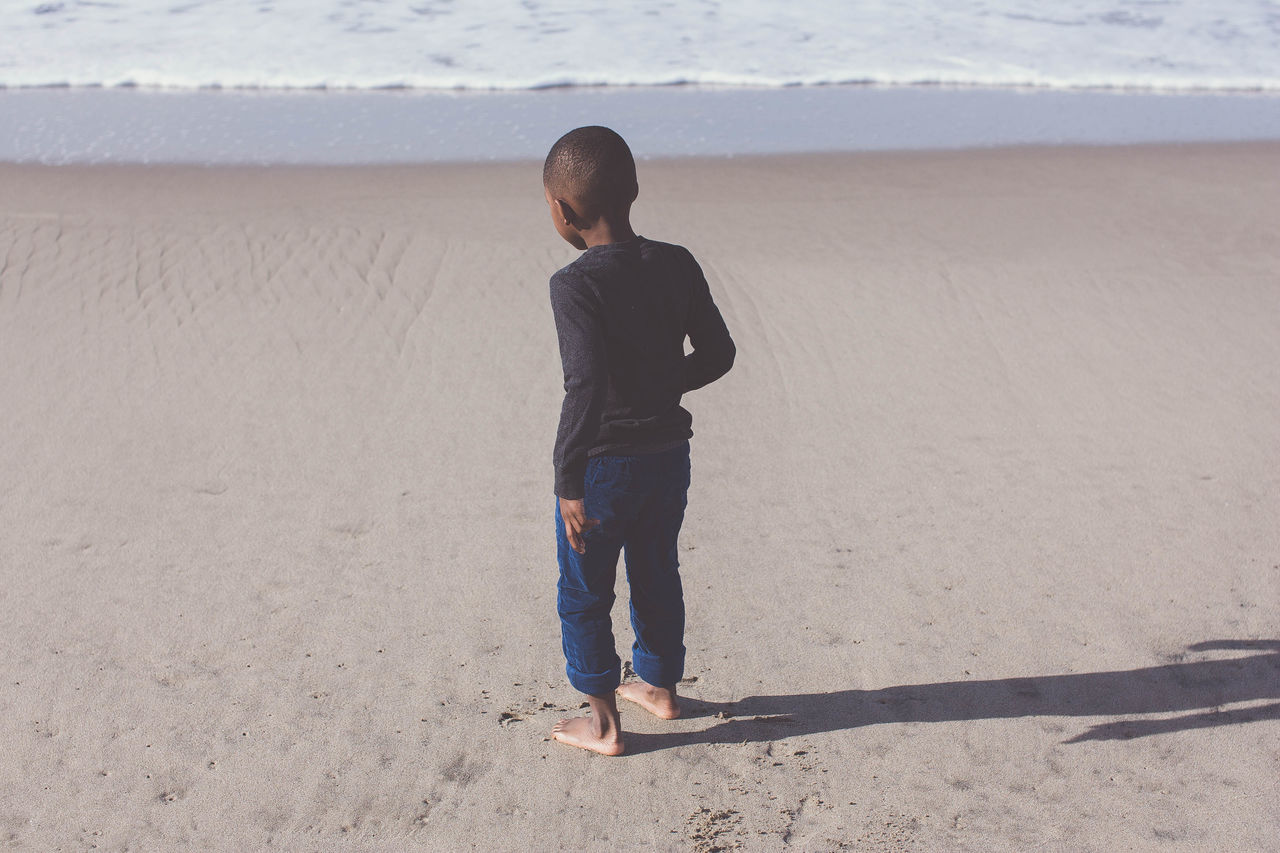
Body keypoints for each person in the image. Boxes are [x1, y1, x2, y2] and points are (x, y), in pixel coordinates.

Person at [543, 126, 736, 755]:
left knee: (584, 591)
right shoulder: (676, 261)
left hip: (601, 467)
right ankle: (657, 686)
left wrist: (568, 478)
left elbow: (586, 384)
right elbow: (719, 353)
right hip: (666, 459)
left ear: (561, 209)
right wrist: (660, 385)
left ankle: (602, 724)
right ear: (633, 191)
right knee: (657, 569)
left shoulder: (574, 284)